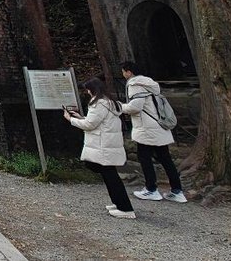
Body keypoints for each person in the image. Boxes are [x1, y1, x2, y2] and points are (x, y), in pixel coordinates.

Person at [65, 78, 135, 219]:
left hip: (103, 145)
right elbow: (97, 122)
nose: (88, 92)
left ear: (92, 89)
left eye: (88, 90)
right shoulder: (110, 102)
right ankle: (118, 203)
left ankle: (126, 209)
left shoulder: (99, 104)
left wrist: (70, 119)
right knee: (109, 175)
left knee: (110, 176)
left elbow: (90, 125)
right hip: (107, 144)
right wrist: (81, 117)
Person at [120, 61, 186, 203]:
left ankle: (151, 189)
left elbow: (135, 107)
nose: (123, 74)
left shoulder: (134, 84)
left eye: (123, 71)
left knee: (145, 158)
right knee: (165, 158)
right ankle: (177, 190)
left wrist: (120, 106)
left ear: (129, 72)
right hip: (159, 125)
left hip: (146, 128)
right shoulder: (150, 84)